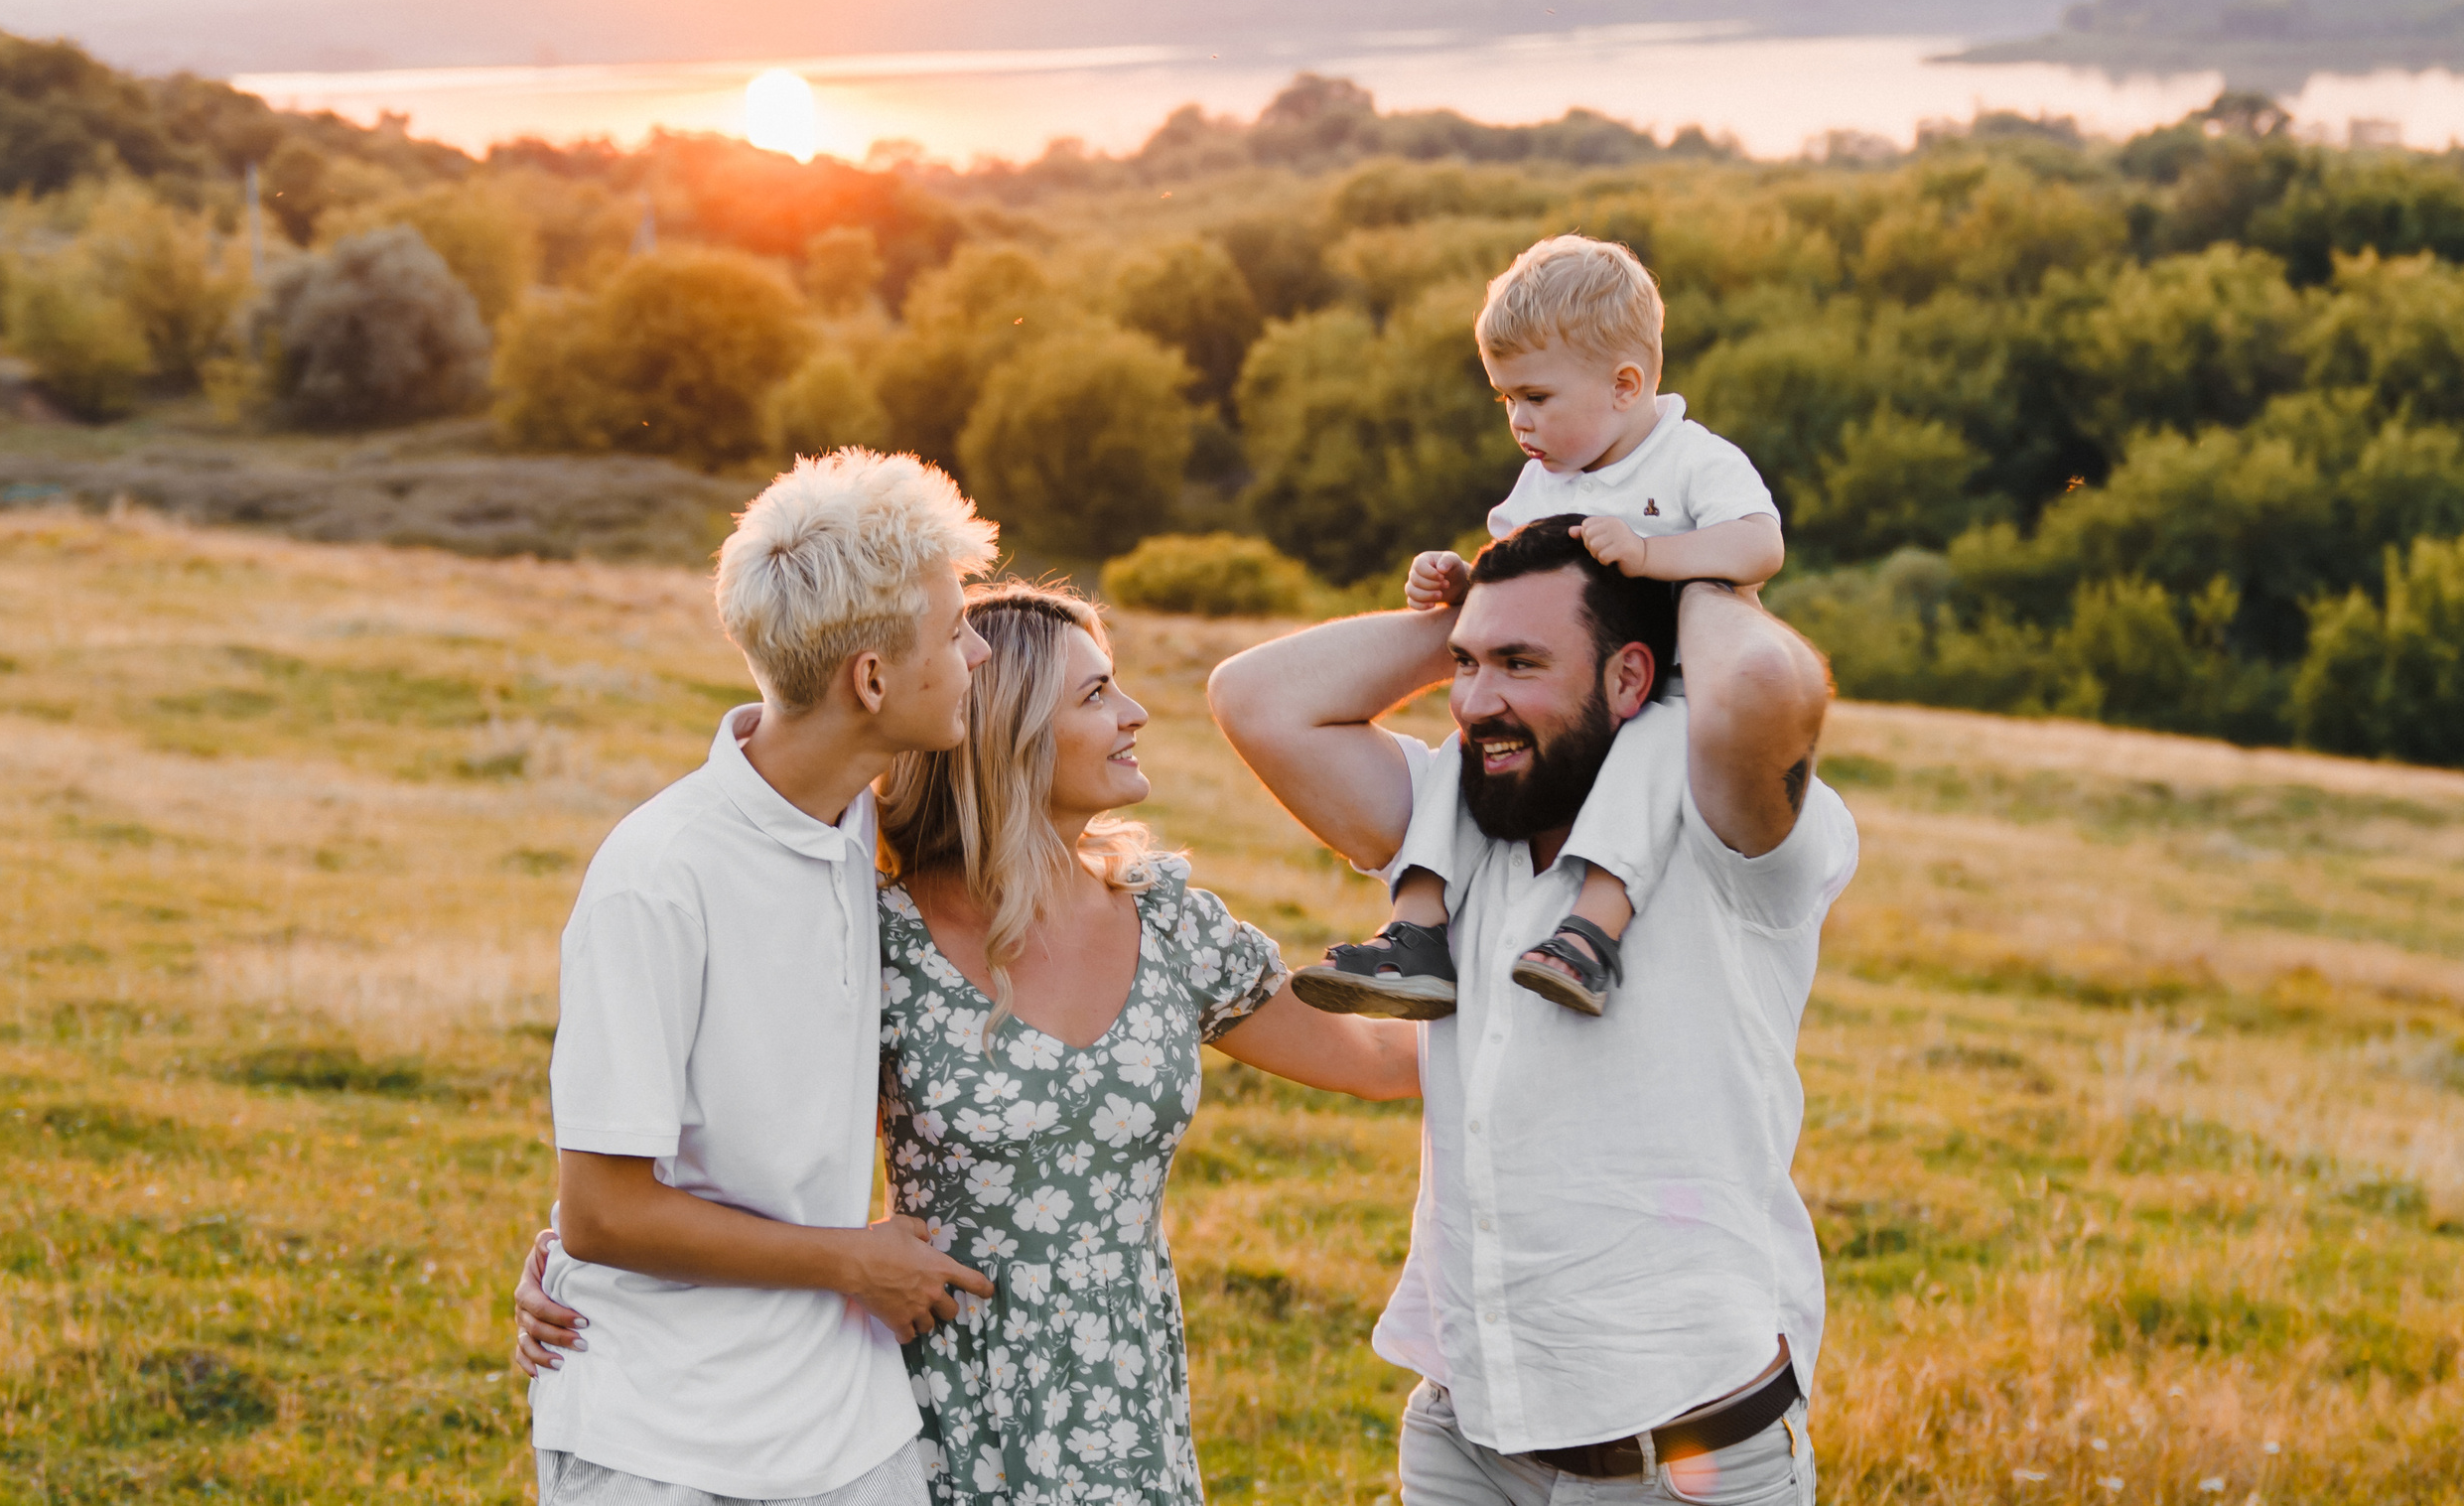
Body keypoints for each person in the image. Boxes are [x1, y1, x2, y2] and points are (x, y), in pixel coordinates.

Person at [518, 581, 1421, 1506]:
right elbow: (736, 1123)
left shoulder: (1172, 924)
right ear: (1011, 733)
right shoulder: (879, 934)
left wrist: (1527, 975)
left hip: (1126, 1397)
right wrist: (576, 1257)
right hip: (926, 1395)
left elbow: (1383, 1063)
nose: (1135, 714)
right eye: (1096, 695)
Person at [1208, 520, 1856, 1503]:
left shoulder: (1728, 838)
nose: (1474, 702)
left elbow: (1764, 686)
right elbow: (1258, 699)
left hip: (1684, 1458)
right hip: (1467, 1440)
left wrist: (1675, 567)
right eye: (1466, 665)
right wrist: (1467, 617)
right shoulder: (1455, 816)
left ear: (1633, 678)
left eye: (1518, 663)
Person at [522, 449, 1004, 1506]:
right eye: (955, 628)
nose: (977, 651)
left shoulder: (862, 822)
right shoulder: (659, 875)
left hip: (846, 1426)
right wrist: (853, 1259)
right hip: (661, 1436)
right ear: (870, 679)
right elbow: (602, 1211)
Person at [1292, 233, 1784, 1024]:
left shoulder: (1693, 460)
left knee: (1655, 753)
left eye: (1537, 396)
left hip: (1669, 700)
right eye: (1506, 399)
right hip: (1559, 708)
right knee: (1465, 752)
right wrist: (1460, 580)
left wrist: (1653, 554)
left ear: (1626, 384)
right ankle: (1417, 929)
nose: (1519, 419)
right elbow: (1508, 574)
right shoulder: (1540, 482)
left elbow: (1760, 545)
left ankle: (1590, 935)